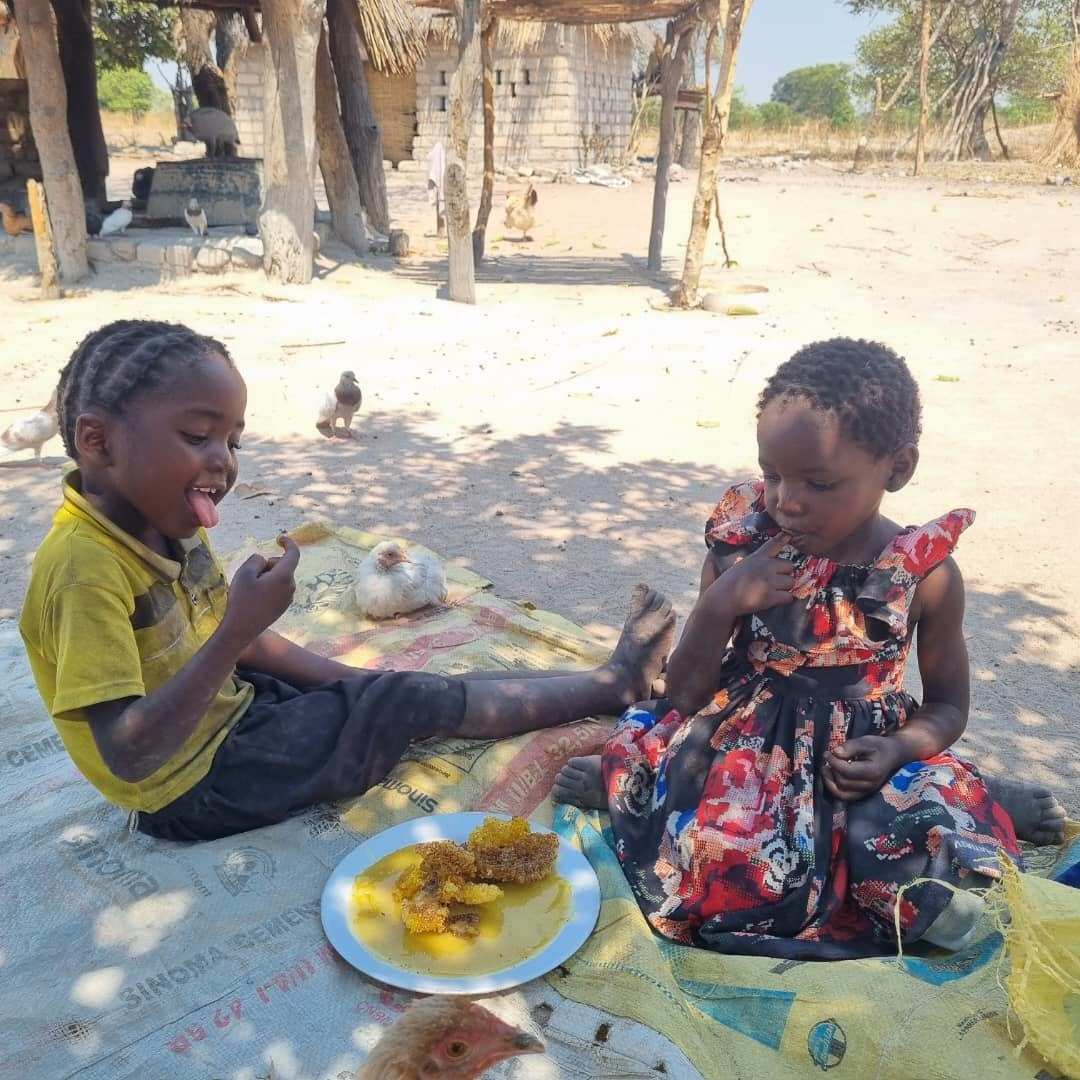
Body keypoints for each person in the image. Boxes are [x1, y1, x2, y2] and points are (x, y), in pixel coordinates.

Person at [19, 320, 675, 843]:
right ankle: (614, 687)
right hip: (193, 786)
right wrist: (242, 632)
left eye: (233, 442)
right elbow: (129, 755)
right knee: (404, 705)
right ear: (97, 443)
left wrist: (360, 682)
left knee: (394, 691)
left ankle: (594, 686)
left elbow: (243, 649)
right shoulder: (83, 570)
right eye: (198, 436)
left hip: (228, 709)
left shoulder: (162, 524)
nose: (222, 462)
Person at [555, 339, 1066, 959]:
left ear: (898, 469)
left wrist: (899, 748)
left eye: (819, 483)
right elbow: (685, 695)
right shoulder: (742, 552)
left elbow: (949, 708)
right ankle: (638, 788)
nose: (786, 500)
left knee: (901, 851)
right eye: (772, 475)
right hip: (747, 746)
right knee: (724, 858)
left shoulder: (921, 576)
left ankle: (963, 806)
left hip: (862, 760)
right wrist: (722, 604)